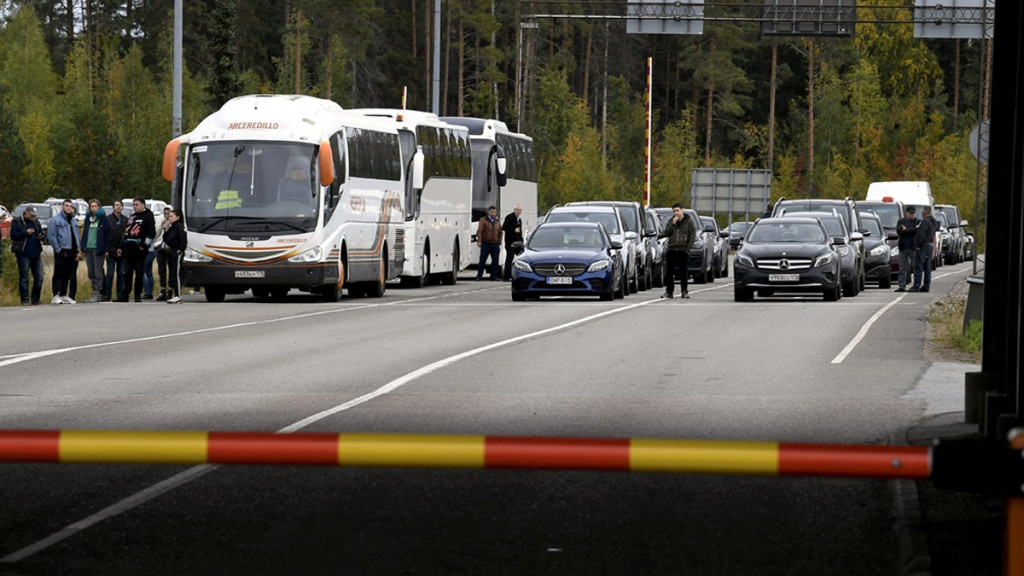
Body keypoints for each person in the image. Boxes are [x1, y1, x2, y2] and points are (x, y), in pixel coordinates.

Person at [119, 197, 155, 302]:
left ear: (143, 205)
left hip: (140, 248)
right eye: (133, 205)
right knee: (127, 272)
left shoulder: (148, 216)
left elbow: (151, 232)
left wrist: (145, 246)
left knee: (139, 272)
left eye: (137, 205)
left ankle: (137, 295)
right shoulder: (132, 216)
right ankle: (125, 295)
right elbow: (126, 231)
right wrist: (121, 246)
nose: (135, 207)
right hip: (129, 248)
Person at [660, 202, 697, 299]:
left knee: (683, 272)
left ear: (682, 210)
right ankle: (669, 291)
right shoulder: (671, 221)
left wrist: (687, 249)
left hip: (682, 250)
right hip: (672, 249)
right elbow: (666, 233)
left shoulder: (689, 222)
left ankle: (684, 291)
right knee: (669, 272)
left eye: (677, 210)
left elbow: (692, 236)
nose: (676, 213)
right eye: (674, 211)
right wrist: (673, 223)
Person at [9, 206, 44, 305]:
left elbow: (40, 232)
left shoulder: (36, 222)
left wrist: (40, 236)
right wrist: (25, 233)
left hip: (36, 253)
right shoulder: (17, 221)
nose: (33, 217)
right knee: (24, 277)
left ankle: (35, 298)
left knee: (39, 277)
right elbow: (13, 235)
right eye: (32, 215)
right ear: (26, 212)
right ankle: (24, 299)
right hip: (23, 253)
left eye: (34, 216)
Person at [47, 199, 80, 304]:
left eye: (70, 206)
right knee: (58, 273)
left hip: (72, 250)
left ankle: (63, 294)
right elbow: (51, 236)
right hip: (62, 250)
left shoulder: (74, 220)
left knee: (68, 274)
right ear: (62, 207)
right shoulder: (56, 220)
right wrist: (58, 249)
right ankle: (55, 295)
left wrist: (78, 249)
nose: (69, 208)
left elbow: (77, 235)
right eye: (67, 205)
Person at [79, 199, 111, 303]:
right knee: (91, 272)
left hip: (98, 249)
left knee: (98, 271)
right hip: (89, 248)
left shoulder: (103, 219)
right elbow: (85, 234)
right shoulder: (88, 219)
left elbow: (107, 234)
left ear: (99, 207)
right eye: (91, 206)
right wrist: (83, 247)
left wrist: (105, 248)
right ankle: (94, 291)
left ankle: (99, 292)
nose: (93, 208)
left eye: (95, 206)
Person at [103, 200, 129, 302]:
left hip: (121, 250)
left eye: (120, 205)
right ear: (113, 207)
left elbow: (126, 235)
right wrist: (106, 250)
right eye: (116, 205)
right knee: (110, 273)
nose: (118, 207)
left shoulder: (125, 220)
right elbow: (105, 235)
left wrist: (122, 248)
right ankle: (107, 294)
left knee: (121, 273)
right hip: (110, 249)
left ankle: (119, 295)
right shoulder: (108, 219)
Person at [162, 209, 188, 304]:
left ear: (177, 217)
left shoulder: (180, 227)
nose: (170, 218)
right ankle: (175, 293)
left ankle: (178, 295)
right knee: (172, 273)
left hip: (177, 252)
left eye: (172, 216)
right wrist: (166, 230)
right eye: (169, 216)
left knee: (177, 274)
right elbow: (166, 239)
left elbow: (183, 241)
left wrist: (180, 250)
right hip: (170, 252)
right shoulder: (172, 227)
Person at [910, 205, 938, 293]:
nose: (921, 213)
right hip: (930, 245)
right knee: (927, 267)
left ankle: (916, 286)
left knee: (918, 266)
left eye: (922, 212)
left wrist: (917, 244)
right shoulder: (933, 222)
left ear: (924, 213)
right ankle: (926, 286)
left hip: (924, 246)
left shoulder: (925, 222)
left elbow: (921, 235)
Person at [894, 205, 919, 292]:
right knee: (902, 267)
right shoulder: (901, 221)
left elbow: (916, 231)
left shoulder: (917, 221)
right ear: (907, 213)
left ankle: (916, 285)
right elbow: (899, 231)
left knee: (915, 267)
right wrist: (909, 230)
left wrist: (906, 230)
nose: (912, 215)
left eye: (913, 213)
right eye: (910, 213)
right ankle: (902, 286)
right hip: (903, 247)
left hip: (913, 247)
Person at [475, 205, 502, 281]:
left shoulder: (497, 221)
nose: (493, 213)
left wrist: (499, 241)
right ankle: (479, 276)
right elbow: (480, 231)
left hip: (495, 243)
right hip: (486, 243)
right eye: (492, 212)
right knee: (482, 260)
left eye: (495, 212)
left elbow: (500, 232)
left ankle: (493, 276)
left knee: (495, 261)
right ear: (489, 212)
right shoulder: (483, 220)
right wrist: (479, 241)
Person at [154, 206, 172, 300]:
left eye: (168, 214)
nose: (167, 216)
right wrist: (161, 225)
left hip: (170, 247)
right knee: (161, 269)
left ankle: (171, 289)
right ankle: (163, 289)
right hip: (160, 246)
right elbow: (155, 234)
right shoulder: (159, 220)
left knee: (171, 268)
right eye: (165, 214)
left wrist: (170, 226)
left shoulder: (174, 222)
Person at [501, 204, 524, 281]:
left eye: (520, 210)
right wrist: (513, 230)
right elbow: (504, 227)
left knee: (520, 258)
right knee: (509, 258)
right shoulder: (509, 217)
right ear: (514, 210)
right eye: (518, 210)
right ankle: (506, 276)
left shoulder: (519, 219)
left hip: (517, 242)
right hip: (510, 242)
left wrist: (522, 240)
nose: (519, 212)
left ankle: (518, 275)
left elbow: (520, 231)